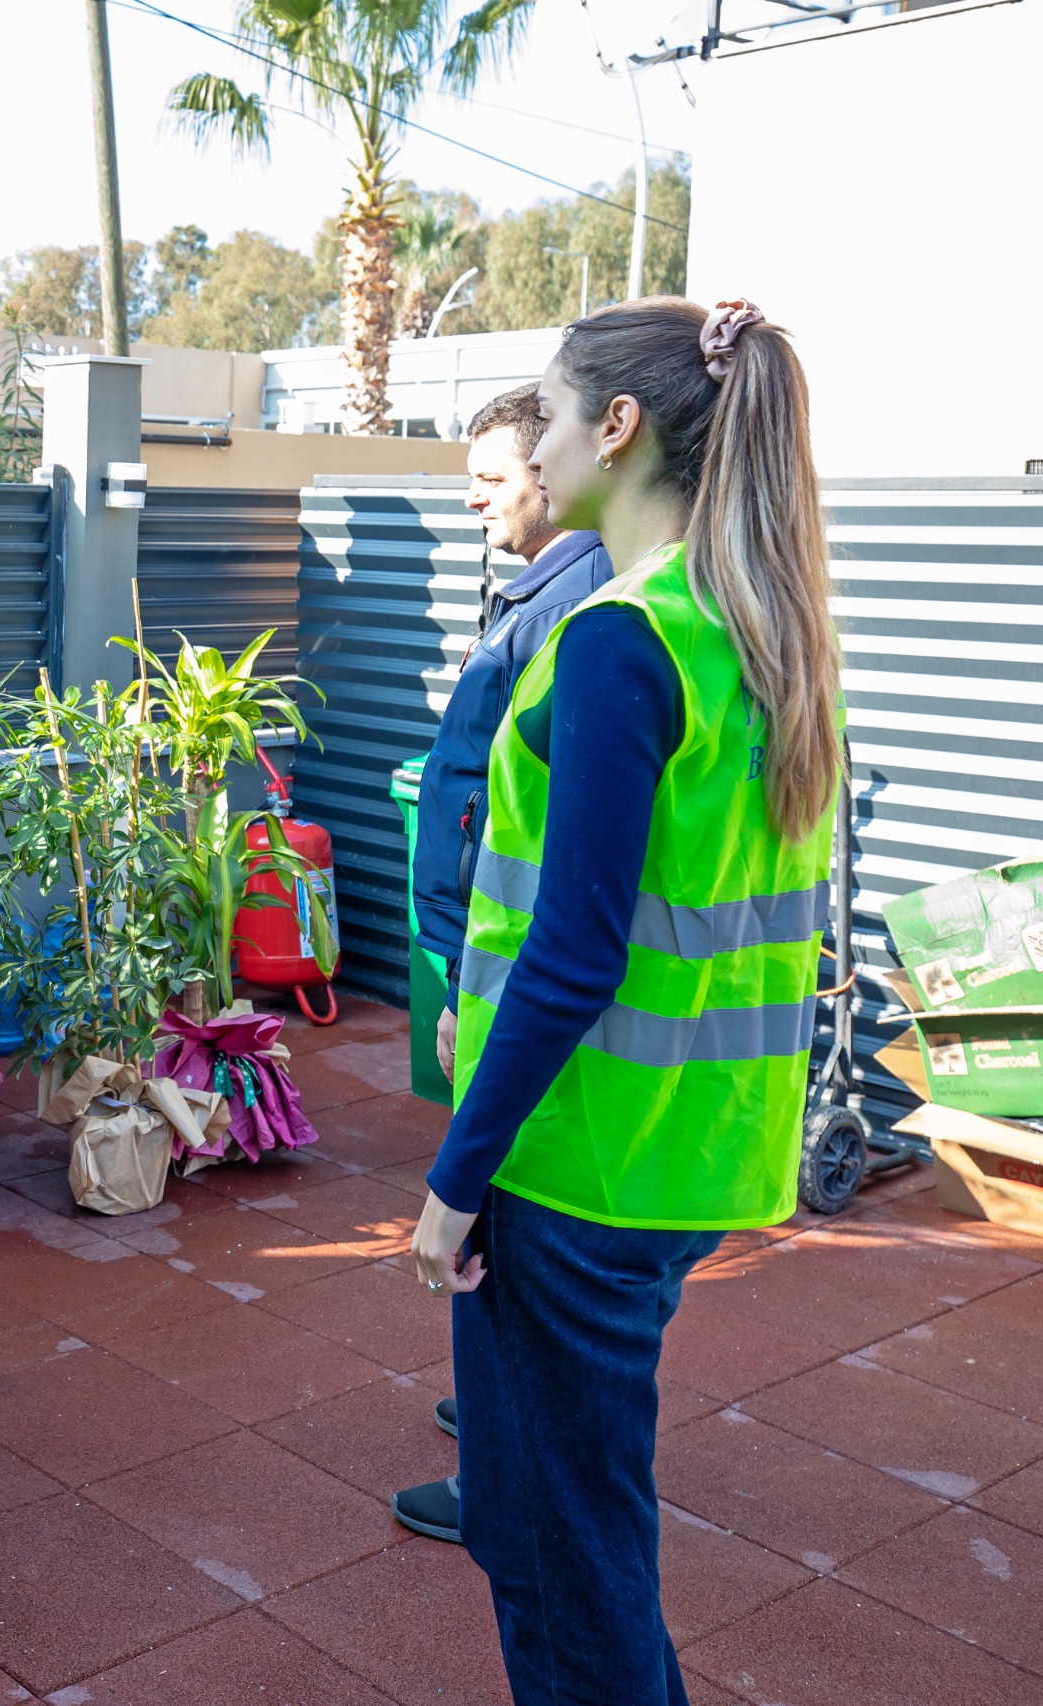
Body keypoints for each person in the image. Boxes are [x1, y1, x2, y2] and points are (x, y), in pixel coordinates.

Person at [411, 299, 840, 1703]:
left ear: (618, 427)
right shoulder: (760, 628)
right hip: (691, 1152)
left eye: (544, 409)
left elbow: (575, 951)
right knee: (558, 1535)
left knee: (563, 1563)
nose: (527, 438)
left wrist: (455, 1177)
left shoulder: (617, 640)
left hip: (579, 1167)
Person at [391, 384, 613, 1549]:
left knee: (501, 1232)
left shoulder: (582, 612)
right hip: (480, 952)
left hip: (507, 967)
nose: (472, 494)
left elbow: (542, 855)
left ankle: (501, 1476)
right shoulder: (531, 590)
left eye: (492, 471)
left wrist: (471, 992)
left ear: (561, 467)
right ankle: (493, 1426)